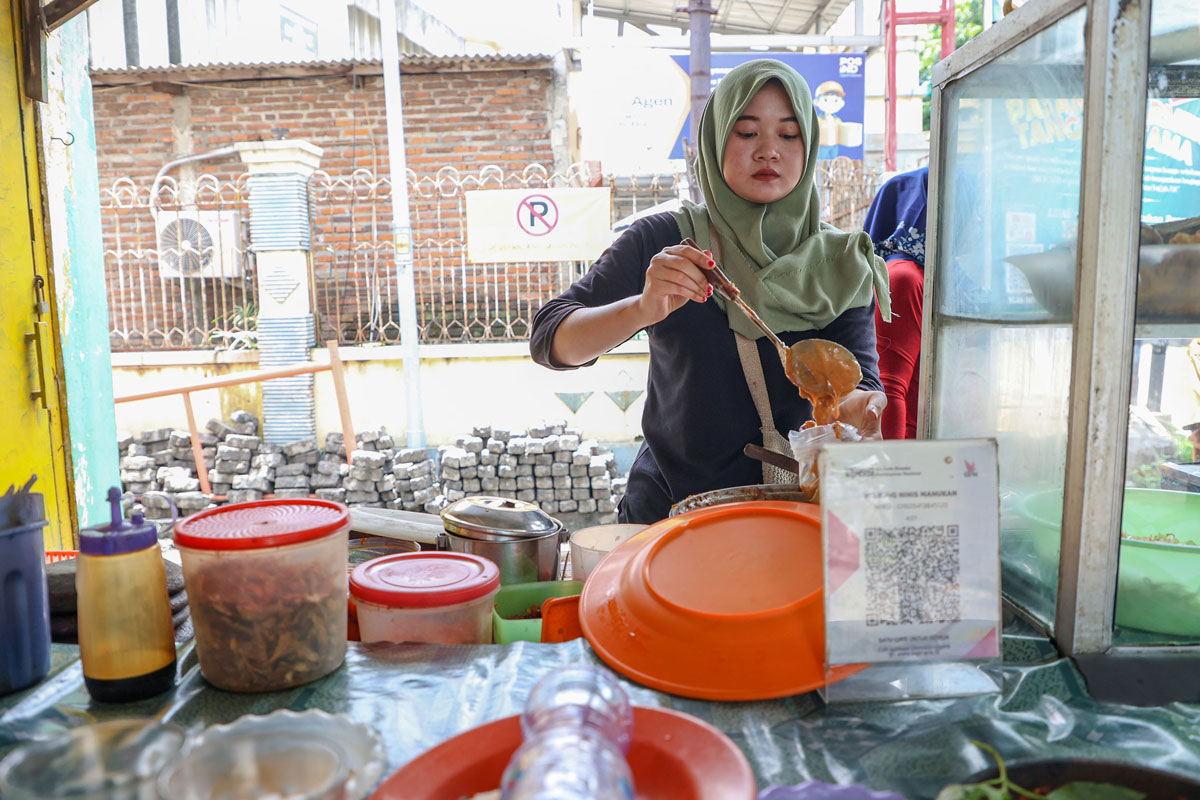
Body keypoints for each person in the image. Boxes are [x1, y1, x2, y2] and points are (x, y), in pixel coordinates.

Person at [530, 59, 890, 524]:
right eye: (746, 133)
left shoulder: (843, 262)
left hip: (794, 518)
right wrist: (642, 309)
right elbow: (551, 341)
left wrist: (860, 408)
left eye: (788, 134)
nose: (768, 151)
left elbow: (858, 382)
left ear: (810, 146)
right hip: (670, 518)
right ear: (716, 140)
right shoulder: (666, 241)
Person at [863, 166, 928, 440]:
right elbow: (888, 390)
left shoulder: (930, 274)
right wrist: (892, 472)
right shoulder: (903, 278)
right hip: (909, 458)